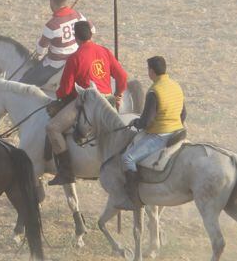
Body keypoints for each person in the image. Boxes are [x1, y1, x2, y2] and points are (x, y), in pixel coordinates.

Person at [45, 21, 127, 186]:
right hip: (107, 101)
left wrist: (57, 94)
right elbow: (122, 76)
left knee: (52, 128)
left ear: (76, 38)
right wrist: (118, 94)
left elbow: (66, 90)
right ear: (91, 34)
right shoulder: (104, 51)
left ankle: (66, 172)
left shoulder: (75, 57)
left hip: (87, 102)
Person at [121, 55, 186, 208]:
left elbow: (146, 122)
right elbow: (183, 114)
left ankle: (134, 196)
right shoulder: (175, 85)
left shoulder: (154, 91)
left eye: (148, 70)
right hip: (179, 131)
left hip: (161, 135)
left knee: (127, 158)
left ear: (151, 71)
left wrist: (136, 122)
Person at [19, 0, 91, 88]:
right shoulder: (78, 15)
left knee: (23, 84)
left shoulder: (51, 25)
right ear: (65, 0)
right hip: (76, 59)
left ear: (51, 2)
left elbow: (40, 50)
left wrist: (39, 54)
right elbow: (92, 30)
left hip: (56, 64)